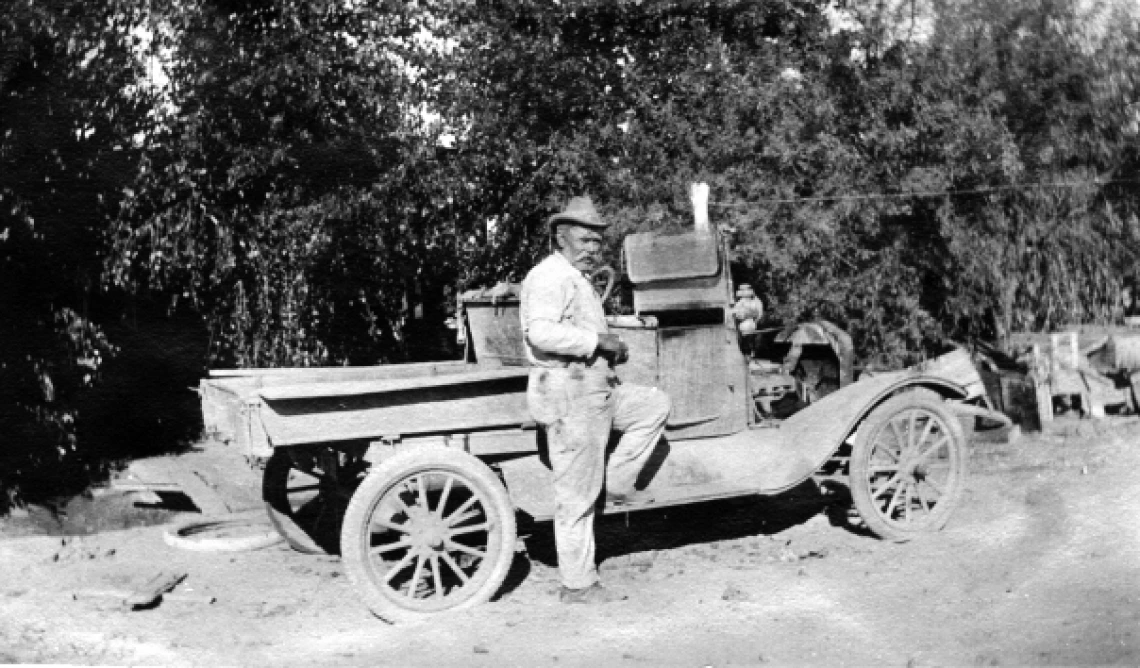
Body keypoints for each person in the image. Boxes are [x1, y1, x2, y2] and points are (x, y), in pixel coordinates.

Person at [520, 196, 672, 604]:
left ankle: (617, 482)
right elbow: (541, 333)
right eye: (584, 240)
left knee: (653, 405)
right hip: (569, 391)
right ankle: (578, 584)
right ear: (560, 238)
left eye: (596, 242)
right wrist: (597, 341)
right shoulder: (550, 276)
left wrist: (607, 346)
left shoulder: (573, 276)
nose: (592, 249)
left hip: (593, 386)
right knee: (575, 494)